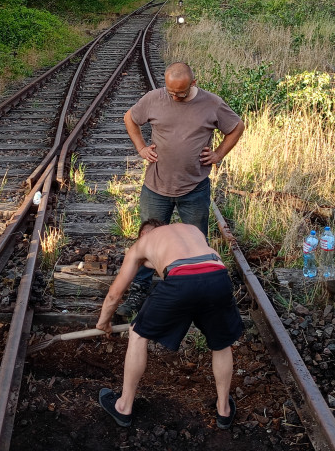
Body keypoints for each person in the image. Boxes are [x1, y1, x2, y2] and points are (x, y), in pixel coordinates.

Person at [117, 62, 244, 316]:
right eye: (171, 91)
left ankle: (200, 295)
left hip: (194, 187)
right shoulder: (154, 98)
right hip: (156, 187)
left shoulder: (212, 104)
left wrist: (218, 153)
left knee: (197, 243)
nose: (174, 97)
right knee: (146, 243)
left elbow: (237, 126)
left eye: (181, 93)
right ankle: (139, 292)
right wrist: (141, 147)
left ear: (193, 83)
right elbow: (129, 118)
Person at [95, 220, 243, 429]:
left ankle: (123, 407)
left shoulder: (142, 243)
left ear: (143, 234)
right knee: (221, 342)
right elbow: (199, 276)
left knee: (137, 333)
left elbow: (115, 294)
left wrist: (103, 322)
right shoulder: (192, 230)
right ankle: (224, 410)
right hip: (218, 276)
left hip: (181, 279)